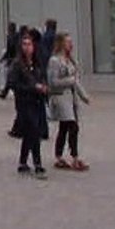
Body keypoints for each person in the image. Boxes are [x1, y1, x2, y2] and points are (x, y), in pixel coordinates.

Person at [47, 33, 90, 171]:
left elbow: (75, 81)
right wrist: (69, 81)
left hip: (71, 98)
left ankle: (59, 156)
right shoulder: (55, 61)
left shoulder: (71, 60)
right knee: (72, 126)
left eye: (71, 42)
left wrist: (83, 96)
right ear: (61, 43)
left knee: (64, 127)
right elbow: (53, 82)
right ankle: (75, 157)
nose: (70, 45)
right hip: (60, 97)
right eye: (67, 42)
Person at [7, 33, 48, 179]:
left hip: (37, 101)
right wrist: (32, 87)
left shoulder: (36, 63)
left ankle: (23, 162)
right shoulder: (17, 64)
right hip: (24, 102)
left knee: (30, 132)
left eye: (29, 44)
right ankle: (38, 164)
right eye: (24, 44)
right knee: (34, 131)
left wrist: (43, 87)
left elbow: (42, 77)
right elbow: (12, 83)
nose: (27, 47)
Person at [0, 22, 18, 99]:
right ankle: (5, 92)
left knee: (10, 77)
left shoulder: (11, 37)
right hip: (13, 58)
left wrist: (4, 58)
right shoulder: (15, 37)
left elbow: (10, 49)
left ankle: (5, 92)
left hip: (12, 59)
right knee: (11, 76)